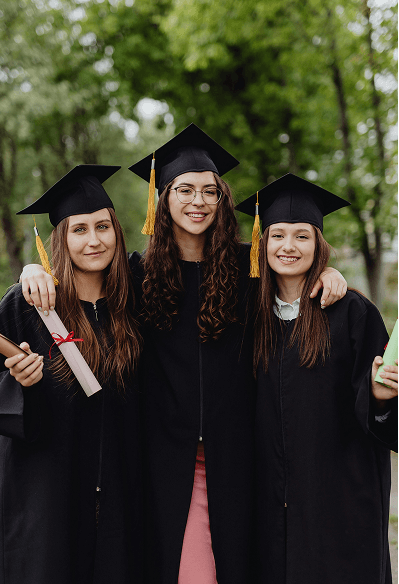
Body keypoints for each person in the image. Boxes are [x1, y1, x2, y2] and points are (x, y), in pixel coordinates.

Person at [20, 125, 348, 584]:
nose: (198, 201)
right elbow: (83, 285)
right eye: (185, 189)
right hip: (161, 455)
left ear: (222, 198)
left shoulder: (249, 267)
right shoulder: (136, 274)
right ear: (164, 197)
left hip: (240, 451)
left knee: (242, 561)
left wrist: (329, 273)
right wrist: (34, 267)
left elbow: (294, 282)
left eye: (210, 191)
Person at [0, 165, 144, 584]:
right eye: (79, 229)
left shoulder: (134, 294)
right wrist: (19, 379)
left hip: (119, 485)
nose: (94, 240)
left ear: (117, 230)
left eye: (103, 226)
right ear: (60, 238)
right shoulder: (30, 304)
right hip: (45, 488)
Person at [236, 173, 398, 584]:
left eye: (302, 236)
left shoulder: (353, 314)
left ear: (319, 244)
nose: (288, 247)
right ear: (262, 243)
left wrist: (380, 397)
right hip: (267, 503)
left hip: (340, 502)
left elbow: (384, 419)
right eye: (277, 236)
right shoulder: (246, 314)